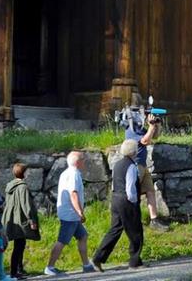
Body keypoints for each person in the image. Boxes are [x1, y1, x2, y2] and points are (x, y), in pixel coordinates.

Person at [92, 140, 143, 271]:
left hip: (115, 198)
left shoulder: (117, 164)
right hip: (126, 200)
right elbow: (130, 186)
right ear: (134, 152)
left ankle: (98, 257)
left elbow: (114, 183)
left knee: (115, 230)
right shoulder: (131, 166)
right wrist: (134, 201)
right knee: (135, 231)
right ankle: (134, 261)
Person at [45, 152, 95, 276]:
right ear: (78, 162)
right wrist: (80, 212)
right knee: (62, 240)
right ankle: (50, 267)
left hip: (69, 213)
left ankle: (86, 264)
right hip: (71, 214)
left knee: (82, 236)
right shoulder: (74, 175)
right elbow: (73, 194)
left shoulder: (66, 173)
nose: (85, 162)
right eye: (83, 159)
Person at [124, 110, 168, 231]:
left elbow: (155, 136)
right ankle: (132, 220)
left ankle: (154, 220)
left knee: (150, 191)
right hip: (134, 165)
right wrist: (151, 126)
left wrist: (156, 125)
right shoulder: (130, 130)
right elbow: (145, 141)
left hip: (143, 165)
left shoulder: (140, 128)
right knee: (134, 193)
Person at [2, 163, 40, 279]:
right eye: (27, 171)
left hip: (12, 219)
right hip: (21, 220)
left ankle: (19, 269)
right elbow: (26, 205)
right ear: (24, 173)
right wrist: (32, 220)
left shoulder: (10, 186)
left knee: (19, 244)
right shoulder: (22, 187)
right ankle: (15, 272)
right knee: (19, 246)